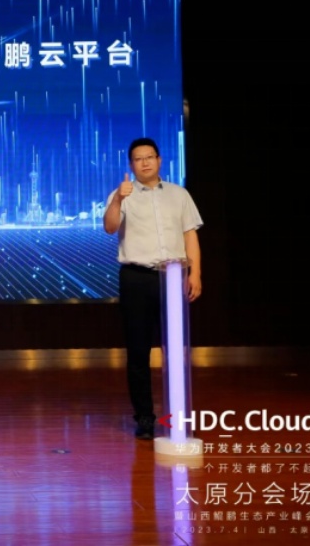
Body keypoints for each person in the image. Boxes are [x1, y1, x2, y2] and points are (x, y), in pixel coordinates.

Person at [103, 138, 203, 440]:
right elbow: (109, 227)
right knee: (138, 352)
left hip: (172, 276)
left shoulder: (179, 194)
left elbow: (190, 235)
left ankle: (178, 415)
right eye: (138, 158)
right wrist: (118, 200)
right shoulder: (123, 194)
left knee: (175, 349)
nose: (145, 162)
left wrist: (196, 273)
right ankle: (144, 418)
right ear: (131, 165)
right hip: (135, 278)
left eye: (149, 157)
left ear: (160, 160)